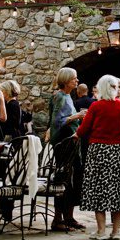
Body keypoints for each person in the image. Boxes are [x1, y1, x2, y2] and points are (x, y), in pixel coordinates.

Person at [78, 75, 120, 240]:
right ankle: (116, 231)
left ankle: (101, 230)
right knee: (118, 191)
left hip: (98, 152)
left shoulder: (96, 107)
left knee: (99, 191)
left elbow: (82, 130)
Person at [48, 67, 87, 231]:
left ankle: (69, 217)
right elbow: (57, 122)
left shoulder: (68, 97)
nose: (76, 81)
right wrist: (78, 116)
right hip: (64, 146)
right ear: (65, 80)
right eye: (74, 78)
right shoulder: (59, 97)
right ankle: (58, 219)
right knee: (64, 181)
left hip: (71, 144)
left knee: (73, 181)